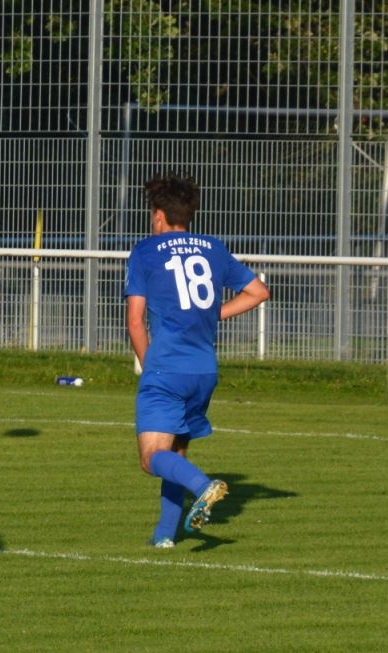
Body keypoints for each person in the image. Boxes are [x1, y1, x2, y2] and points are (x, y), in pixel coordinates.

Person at [125, 172, 270, 549]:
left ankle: (203, 486)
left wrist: (150, 367)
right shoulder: (213, 247)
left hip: (167, 368)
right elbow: (258, 292)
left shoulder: (145, 251)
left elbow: (135, 321)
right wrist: (212, 313)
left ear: (159, 216)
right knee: (176, 452)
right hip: (204, 371)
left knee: (151, 458)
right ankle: (164, 537)